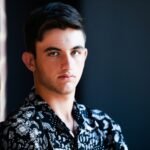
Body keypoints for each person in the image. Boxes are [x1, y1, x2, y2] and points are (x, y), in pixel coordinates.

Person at [0, 2, 128, 150]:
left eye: (75, 52)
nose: (67, 64)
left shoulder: (104, 127)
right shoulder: (18, 131)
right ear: (30, 61)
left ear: (84, 56)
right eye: (54, 53)